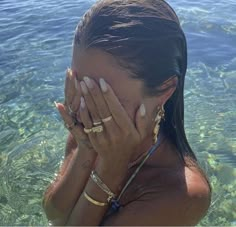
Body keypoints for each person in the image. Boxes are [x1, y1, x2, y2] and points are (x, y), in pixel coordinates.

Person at [42, 0, 211, 225]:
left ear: (165, 90)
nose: (86, 112)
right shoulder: (88, 123)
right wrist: (87, 148)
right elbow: (55, 215)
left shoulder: (182, 194)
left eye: (106, 98)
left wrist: (112, 167)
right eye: (81, 88)